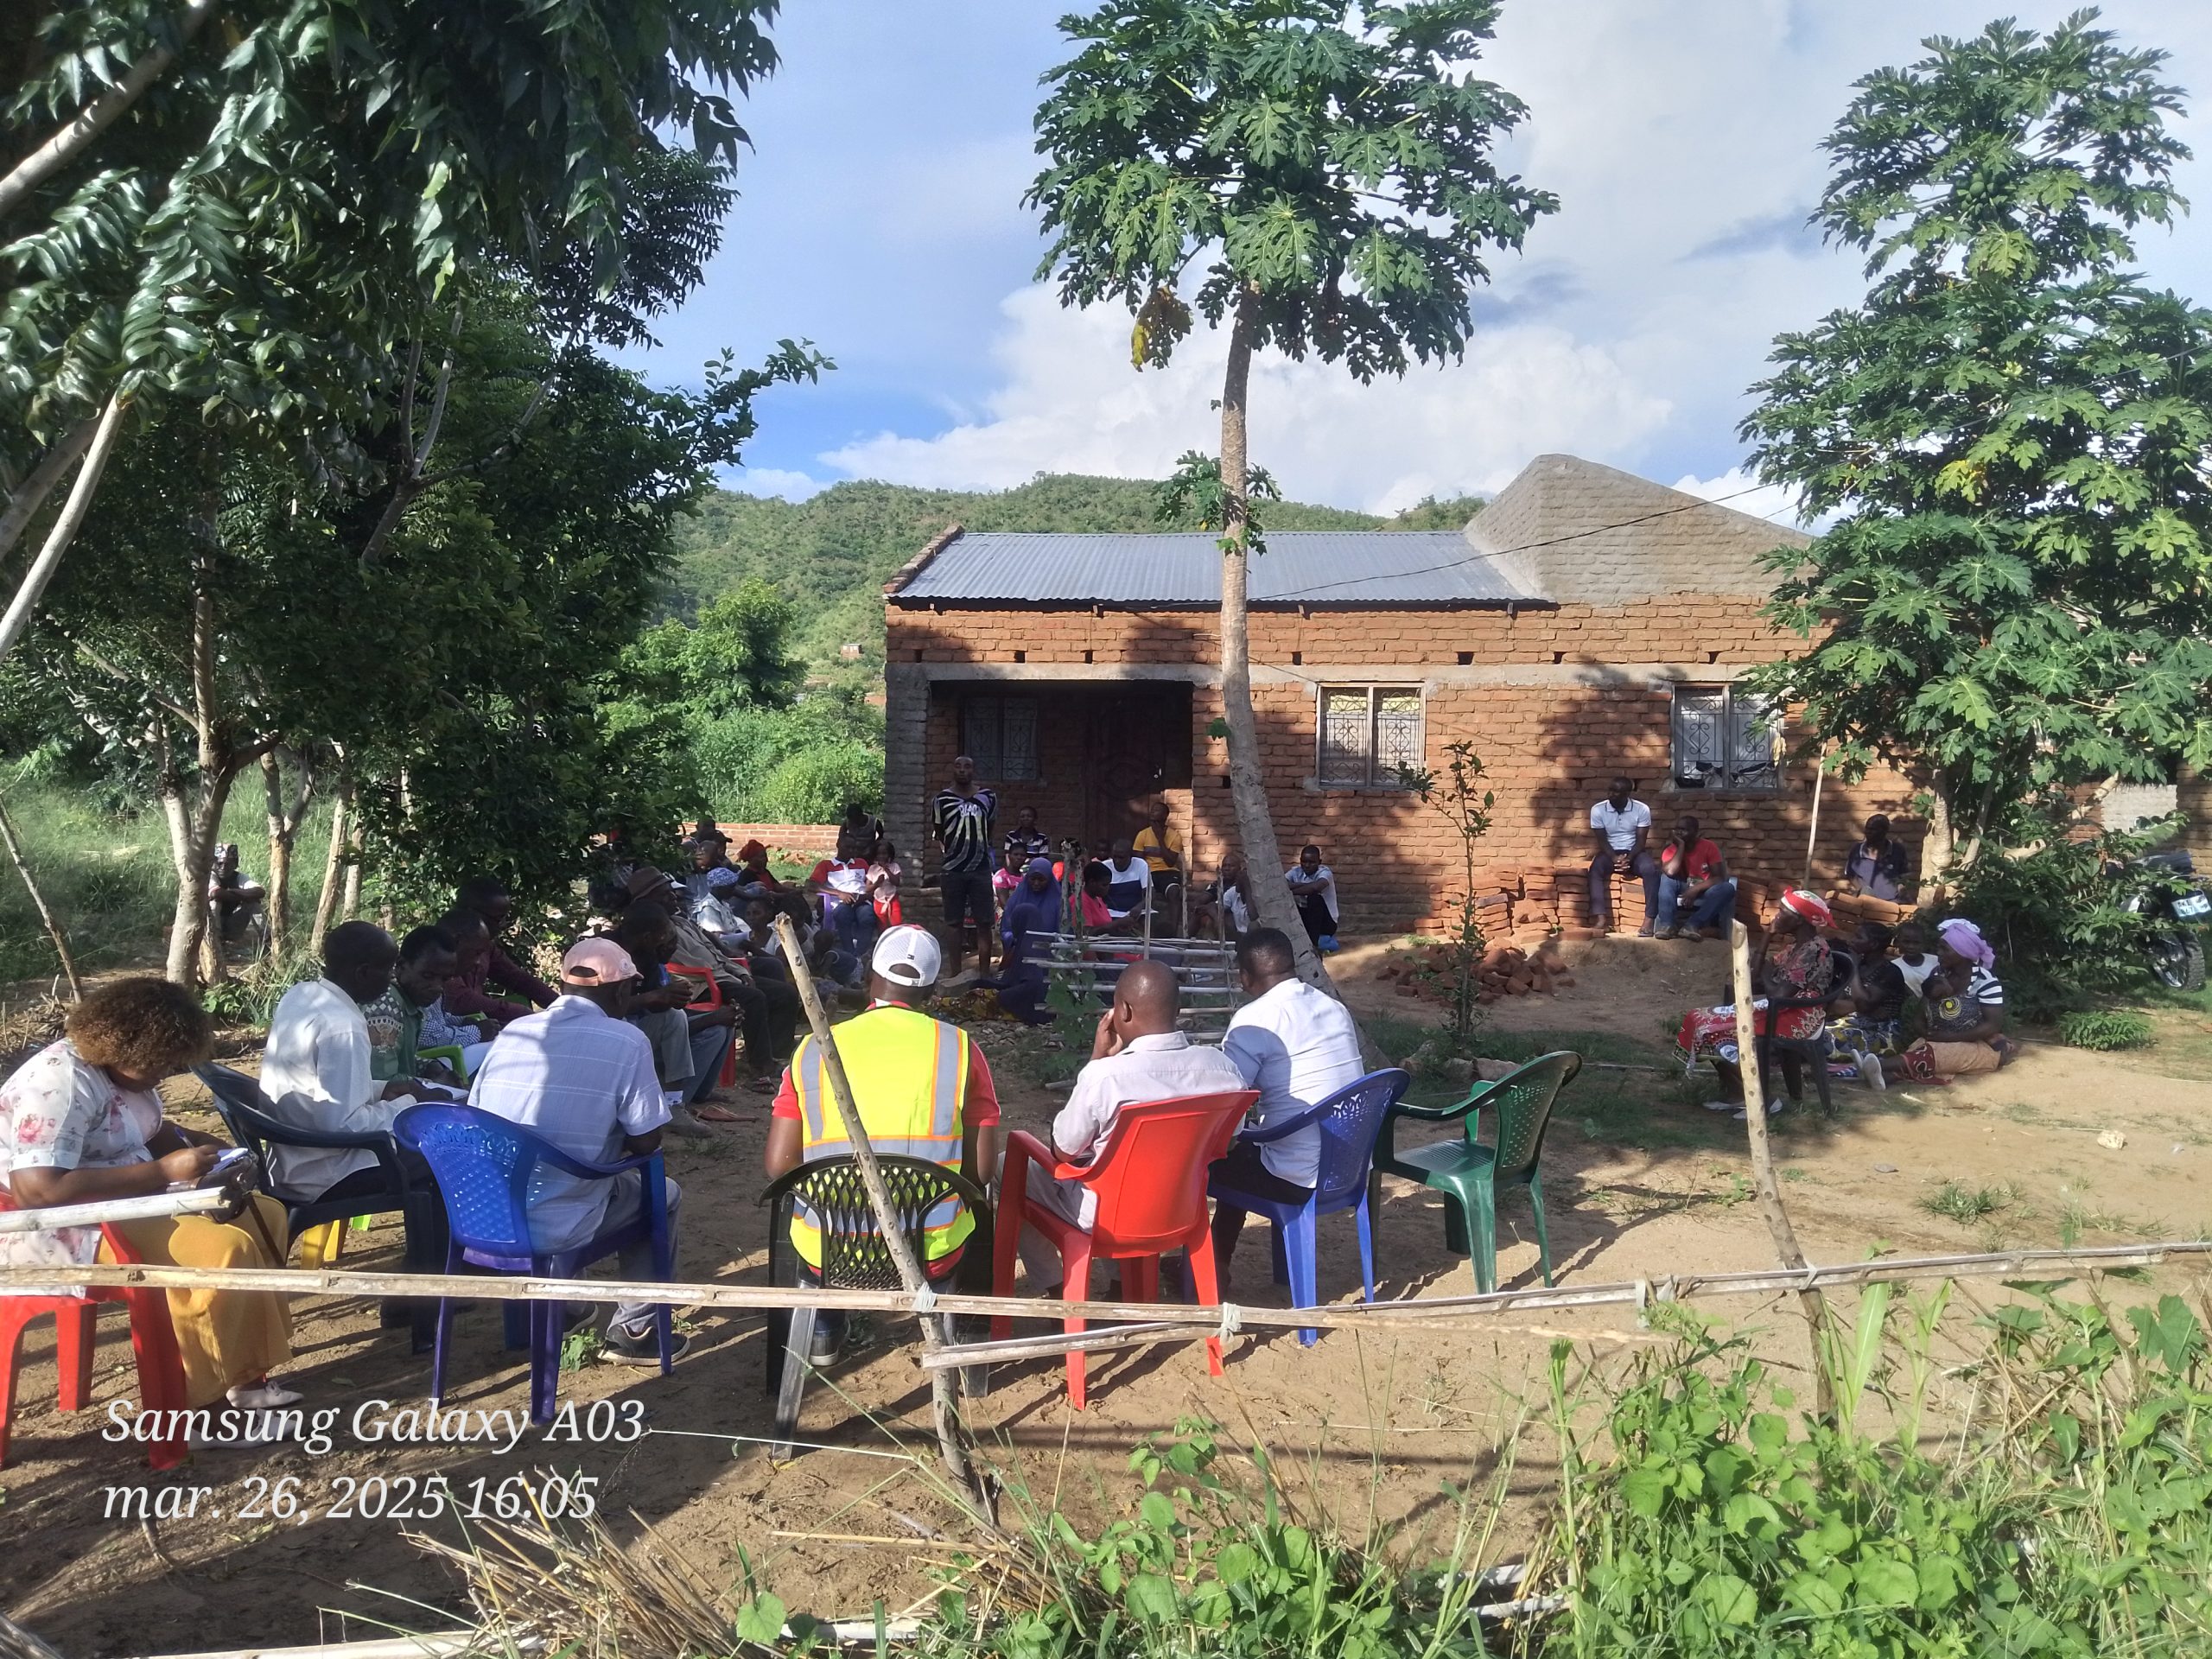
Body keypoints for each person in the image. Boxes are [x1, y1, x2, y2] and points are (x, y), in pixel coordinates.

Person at [2, 978, 296, 1414]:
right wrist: (163, 1170)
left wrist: (196, 1146)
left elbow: (148, 1130)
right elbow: (39, 1191)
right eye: (159, 1065)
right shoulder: (59, 1084)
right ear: (122, 1048)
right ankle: (202, 1410)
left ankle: (244, 1376)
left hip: (128, 1200)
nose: (165, 1074)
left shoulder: (122, 1072)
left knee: (264, 1216)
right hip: (59, 1224)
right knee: (220, 1249)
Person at [764, 926, 1001, 1358]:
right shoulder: (960, 1049)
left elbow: (780, 1167)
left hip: (830, 1245)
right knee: (983, 1201)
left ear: (870, 975)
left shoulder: (815, 1047)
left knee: (803, 1216)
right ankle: (961, 1344)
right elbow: (982, 1172)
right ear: (931, 990)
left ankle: (822, 1331)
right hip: (931, 1247)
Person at [467, 938, 688, 1364]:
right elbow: (646, 1140)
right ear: (622, 991)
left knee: (568, 1172)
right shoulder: (627, 1040)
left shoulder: (515, 1031)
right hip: (557, 1220)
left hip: (485, 1213)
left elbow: (479, 1115)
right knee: (662, 1192)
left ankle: (568, 1306)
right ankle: (636, 1330)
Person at [1012, 961, 1244, 1290]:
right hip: (1183, 1209)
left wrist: (1097, 1059)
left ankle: (1056, 1288)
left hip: (1107, 1218)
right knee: (1112, 1167)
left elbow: (1063, 1150)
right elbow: (1230, 1141)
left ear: (1123, 1011)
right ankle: (1122, 1284)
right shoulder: (1223, 1069)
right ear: (1177, 1009)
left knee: (1012, 1166)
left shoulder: (1106, 1076)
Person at [1211, 928, 1363, 1277]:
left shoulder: (1254, 1020)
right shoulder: (1333, 1008)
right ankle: (1223, 1263)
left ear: (1244, 977)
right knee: (1245, 1149)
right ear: (1292, 966)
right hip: (1350, 1167)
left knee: (1212, 1158)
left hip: (1295, 1177)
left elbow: (1227, 1111)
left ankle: (1211, 1268)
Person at [262, 922, 446, 1194]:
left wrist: (383, 1089)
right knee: (449, 1155)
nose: (393, 977)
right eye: (388, 969)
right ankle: (435, 1238)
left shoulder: (301, 995)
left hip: (292, 1157)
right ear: (363, 973)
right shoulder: (343, 1026)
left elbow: (319, 1088)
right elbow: (345, 1125)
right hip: (330, 1171)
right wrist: (412, 1103)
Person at [1674, 890, 1838, 1115]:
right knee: (1698, 1018)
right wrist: (1767, 938)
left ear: (1800, 920)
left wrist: (1769, 975)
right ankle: (1738, 1093)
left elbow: (1777, 994)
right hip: (1780, 1009)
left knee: (1713, 1030)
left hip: (1799, 1018)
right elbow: (1755, 975)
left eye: (1783, 912)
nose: (1777, 917)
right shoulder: (1794, 948)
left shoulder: (1814, 949)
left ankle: (1763, 1099)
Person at [608, 900, 727, 1135]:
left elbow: (657, 1007)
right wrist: (652, 997)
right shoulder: (608, 954)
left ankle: (673, 1105)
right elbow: (604, 1009)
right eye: (662, 933)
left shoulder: (648, 956)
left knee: (675, 1016)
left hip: (635, 1031)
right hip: (608, 1038)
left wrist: (670, 998)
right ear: (647, 936)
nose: (666, 939)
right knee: (676, 1020)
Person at [1896, 919, 2016, 1080]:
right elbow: (1920, 1015)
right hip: (1937, 1040)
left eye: (1945, 949)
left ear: (1963, 952)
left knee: (1934, 1055)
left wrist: (1948, 1038)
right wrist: (1927, 1034)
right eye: (1939, 947)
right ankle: (1883, 1074)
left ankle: (1877, 1068)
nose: (1939, 952)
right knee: (1924, 1052)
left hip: (1974, 1044)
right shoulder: (1938, 974)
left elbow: (1993, 1025)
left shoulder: (1985, 980)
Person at [365, 925, 485, 1085]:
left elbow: (399, 1059)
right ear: (401, 965)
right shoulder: (386, 1007)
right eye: (428, 976)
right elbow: (381, 1079)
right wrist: (431, 1084)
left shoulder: (410, 1002)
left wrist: (427, 1066)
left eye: (444, 979)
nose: (438, 987)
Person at [445, 879, 557, 1022]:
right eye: (497, 919)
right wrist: (526, 1015)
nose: (502, 925)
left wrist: (561, 1006)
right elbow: (462, 1001)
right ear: (471, 913)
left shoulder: (486, 947)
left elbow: (517, 978)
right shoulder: (438, 949)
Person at [932, 754, 998, 978]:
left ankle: (983, 973)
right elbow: (940, 831)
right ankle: (955, 973)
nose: (962, 770)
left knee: (984, 922)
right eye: (958, 766)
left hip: (980, 868)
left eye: (967, 766)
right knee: (953, 922)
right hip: (952, 869)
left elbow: (990, 827)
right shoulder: (941, 800)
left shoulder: (988, 797)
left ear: (974, 770)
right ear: (952, 770)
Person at [994, 857, 1065, 1025]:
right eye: (1033, 878)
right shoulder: (1018, 898)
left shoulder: (1058, 901)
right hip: (1021, 955)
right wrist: (1021, 941)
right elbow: (1006, 929)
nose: (1037, 883)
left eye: (1041, 879)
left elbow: (1063, 931)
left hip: (1049, 956)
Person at [1586, 777, 1659, 934]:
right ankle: (1601, 919)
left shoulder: (1641, 809)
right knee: (1595, 870)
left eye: (1616, 792)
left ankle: (1649, 920)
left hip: (1634, 852)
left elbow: (1641, 841)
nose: (1610, 794)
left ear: (1627, 794)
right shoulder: (1598, 809)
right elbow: (1602, 840)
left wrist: (1628, 859)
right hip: (1609, 852)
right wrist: (1614, 858)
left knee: (1650, 870)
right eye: (1610, 790)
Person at [1654, 815, 1736, 941]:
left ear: (1695, 832)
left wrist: (1696, 889)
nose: (1679, 832)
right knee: (1666, 879)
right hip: (1682, 886)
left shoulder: (1709, 847)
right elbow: (1670, 871)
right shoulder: (1671, 849)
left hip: (1704, 888)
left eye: (1684, 829)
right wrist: (1681, 846)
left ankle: (1692, 925)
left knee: (1727, 888)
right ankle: (1667, 926)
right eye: (1677, 829)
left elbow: (1719, 877)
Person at [810, 829, 878, 959]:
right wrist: (839, 893)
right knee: (842, 915)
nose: (851, 851)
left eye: (854, 848)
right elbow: (811, 885)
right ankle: (850, 952)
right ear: (838, 845)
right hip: (840, 902)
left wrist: (864, 896)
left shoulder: (861, 863)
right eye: (848, 847)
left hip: (862, 900)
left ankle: (860, 954)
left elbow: (872, 885)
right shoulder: (826, 865)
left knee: (867, 916)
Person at [206, 842, 265, 944]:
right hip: (207, 928)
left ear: (235, 865)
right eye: (219, 864)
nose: (223, 868)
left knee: (253, 903)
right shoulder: (209, 876)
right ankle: (215, 940)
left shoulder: (238, 877)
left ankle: (268, 939)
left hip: (231, 928)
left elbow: (260, 892)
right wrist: (243, 895)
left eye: (228, 864)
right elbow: (216, 893)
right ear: (212, 863)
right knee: (215, 902)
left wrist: (232, 892)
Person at [1845, 815, 1911, 904]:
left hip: (1892, 904)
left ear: (1884, 831)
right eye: (1867, 829)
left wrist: (1903, 897)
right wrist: (1863, 890)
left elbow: (1903, 877)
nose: (1868, 832)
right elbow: (1850, 874)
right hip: (1866, 904)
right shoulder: (1857, 850)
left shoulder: (1897, 850)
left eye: (1872, 830)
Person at [1287, 844, 1340, 952]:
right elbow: (1281, 884)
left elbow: (1316, 888)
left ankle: (1313, 944)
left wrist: (1289, 892)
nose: (1306, 865)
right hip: (1307, 919)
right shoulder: (1296, 871)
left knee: (1314, 898)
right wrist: (1304, 885)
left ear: (1319, 862)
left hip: (1326, 923)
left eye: (1311, 862)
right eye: (1304, 861)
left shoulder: (1325, 873)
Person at [1134, 800, 1185, 903]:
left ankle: (1174, 920)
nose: (1152, 812)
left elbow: (1170, 862)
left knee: (1174, 892)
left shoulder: (1175, 836)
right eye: (1152, 810)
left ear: (1165, 815)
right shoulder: (1142, 834)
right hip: (1148, 872)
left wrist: (1160, 839)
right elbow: (1138, 862)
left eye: (1156, 810)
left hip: (1168, 872)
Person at [1102, 836, 1152, 924]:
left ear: (1130, 855)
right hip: (1111, 914)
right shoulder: (1104, 866)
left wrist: (1140, 906)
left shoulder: (1140, 864)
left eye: (1121, 857)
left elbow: (1150, 893)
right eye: (1114, 857)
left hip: (1136, 914)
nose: (1117, 861)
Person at [1002, 805, 1052, 875]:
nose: (1025, 819)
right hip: (1014, 872)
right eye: (1022, 816)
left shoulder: (1042, 838)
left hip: (1034, 872)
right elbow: (1008, 858)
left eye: (1029, 816)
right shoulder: (1011, 836)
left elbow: (1043, 860)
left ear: (1035, 819)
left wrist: (1027, 862)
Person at [868, 836, 905, 928]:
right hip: (878, 901)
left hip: (893, 900)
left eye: (884, 853)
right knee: (882, 926)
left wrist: (886, 869)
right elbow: (867, 888)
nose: (881, 856)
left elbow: (897, 882)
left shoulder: (894, 866)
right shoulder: (873, 869)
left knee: (896, 924)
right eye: (879, 854)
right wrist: (877, 884)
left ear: (889, 854)